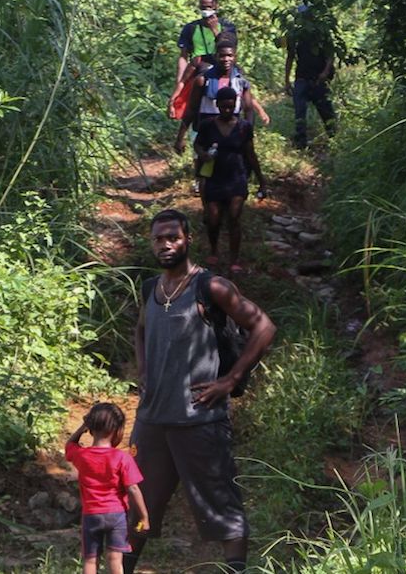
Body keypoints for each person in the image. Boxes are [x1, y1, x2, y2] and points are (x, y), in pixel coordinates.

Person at [125, 209, 277, 574]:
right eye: (158, 239)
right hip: (152, 420)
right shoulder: (151, 288)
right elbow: (141, 330)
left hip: (200, 418)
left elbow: (264, 326)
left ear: (188, 240)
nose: (165, 244)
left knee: (222, 505)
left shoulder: (211, 287)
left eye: (173, 237)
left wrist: (231, 379)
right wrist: (143, 371)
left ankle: (236, 570)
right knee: (136, 504)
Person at [66, 403, 151, 574]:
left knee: (90, 560)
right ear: (117, 430)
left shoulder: (82, 455)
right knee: (115, 559)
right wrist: (144, 517)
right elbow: (133, 489)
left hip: (91, 515)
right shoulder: (122, 458)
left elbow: (70, 444)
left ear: (90, 428)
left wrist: (82, 427)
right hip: (116, 515)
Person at [194, 86, 267, 272]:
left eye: (230, 106)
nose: (227, 110)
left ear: (235, 105)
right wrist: (203, 155)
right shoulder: (207, 125)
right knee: (213, 218)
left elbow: (250, 154)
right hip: (214, 177)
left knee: (234, 217)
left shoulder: (243, 127)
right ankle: (214, 250)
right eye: (223, 106)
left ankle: (234, 258)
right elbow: (198, 145)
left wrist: (261, 180)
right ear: (217, 105)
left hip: (237, 177)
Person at [174, 39, 269, 155]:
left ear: (235, 57)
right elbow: (191, 109)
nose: (226, 59)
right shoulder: (203, 80)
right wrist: (180, 137)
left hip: (232, 135)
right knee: (205, 164)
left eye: (230, 55)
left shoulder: (240, 82)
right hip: (207, 134)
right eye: (222, 56)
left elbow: (248, 110)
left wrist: (247, 137)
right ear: (216, 56)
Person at [284, 3, 337, 149]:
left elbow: (330, 54)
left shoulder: (322, 32)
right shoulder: (294, 35)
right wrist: (287, 80)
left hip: (319, 78)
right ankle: (301, 142)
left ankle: (334, 138)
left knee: (326, 110)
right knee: (299, 111)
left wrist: (325, 72)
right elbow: (290, 57)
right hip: (302, 77)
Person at [175, 0, 236, 87]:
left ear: (216, 6)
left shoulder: (227, 26)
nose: (206, 10)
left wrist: (215, 30)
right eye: (203, 7)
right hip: (197, 67)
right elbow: (183, 56)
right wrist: (180, 80)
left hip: (223, 66)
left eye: (209, 7)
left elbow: (229, 47)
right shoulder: (190, 28)